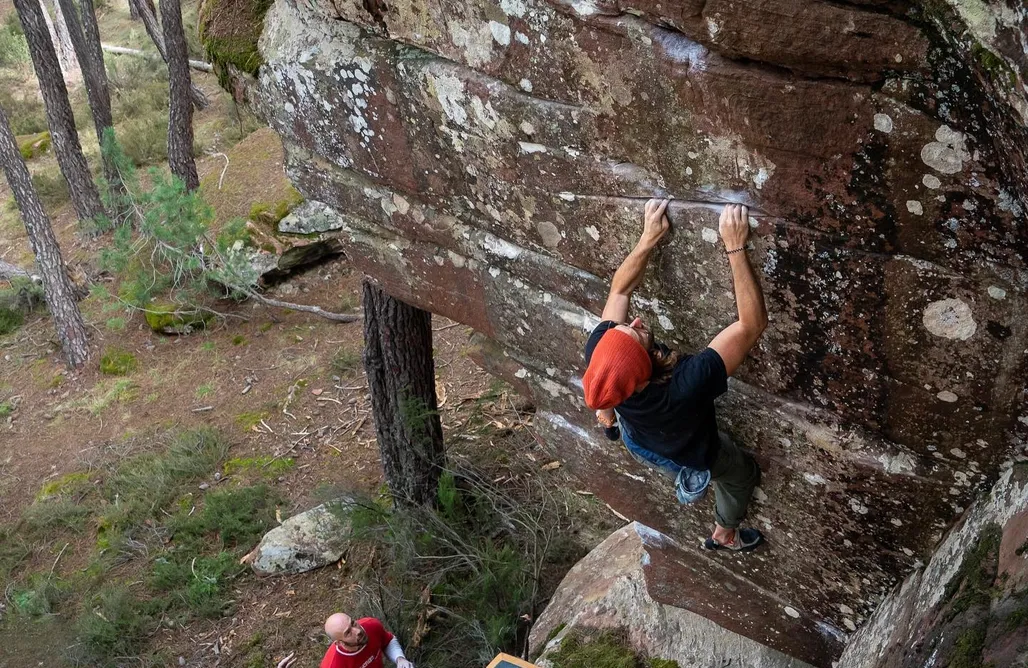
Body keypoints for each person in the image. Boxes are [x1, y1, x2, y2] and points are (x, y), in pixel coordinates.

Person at [582, 199, 768, 552]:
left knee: (619, 414)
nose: (635, 322)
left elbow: (619, 290)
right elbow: (751, 325)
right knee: (739, 472)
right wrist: (735, 246)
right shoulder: (685, 386)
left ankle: (607, 414)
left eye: (625, 327)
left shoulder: (601, 351)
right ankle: (724, 533)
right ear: (646, 367)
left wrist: (648, 238)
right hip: (691, 448)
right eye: (636, 333)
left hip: (638, 439)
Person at [319, 612, 414, 668]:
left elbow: (387, 641)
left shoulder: (371, 625)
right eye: (348, 632)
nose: (357, 631)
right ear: (339, 643)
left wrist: (400, 659)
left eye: (353, 623)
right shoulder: (334, 664)